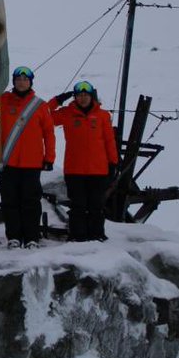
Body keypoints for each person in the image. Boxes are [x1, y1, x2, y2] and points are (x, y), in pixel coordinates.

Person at [0, 66, 56, 249]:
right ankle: (13, 237)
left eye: (25, 79)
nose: (21, 82)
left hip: (32, 164)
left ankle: (31, 238)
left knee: (31, 203)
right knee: (10, 203)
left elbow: (49, 133)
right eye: (18, 79)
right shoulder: (3, 100)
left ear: (30, 82)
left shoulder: (40, 105)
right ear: (13, 81)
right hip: (8, 163)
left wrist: (49, 158)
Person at [48, 81, 119, 242]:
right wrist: (57, 100)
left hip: (98, 170)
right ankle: (77, 236)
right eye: (79, 95)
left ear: (91, 97)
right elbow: (43, 114)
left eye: (86, 95)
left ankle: (97, 235)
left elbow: (109, 141)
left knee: (96, 206)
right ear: (75, 97)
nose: (83, 98)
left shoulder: (102, 116)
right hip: (74, 170)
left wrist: (113, 163)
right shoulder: (66, 113)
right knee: (78, 206)